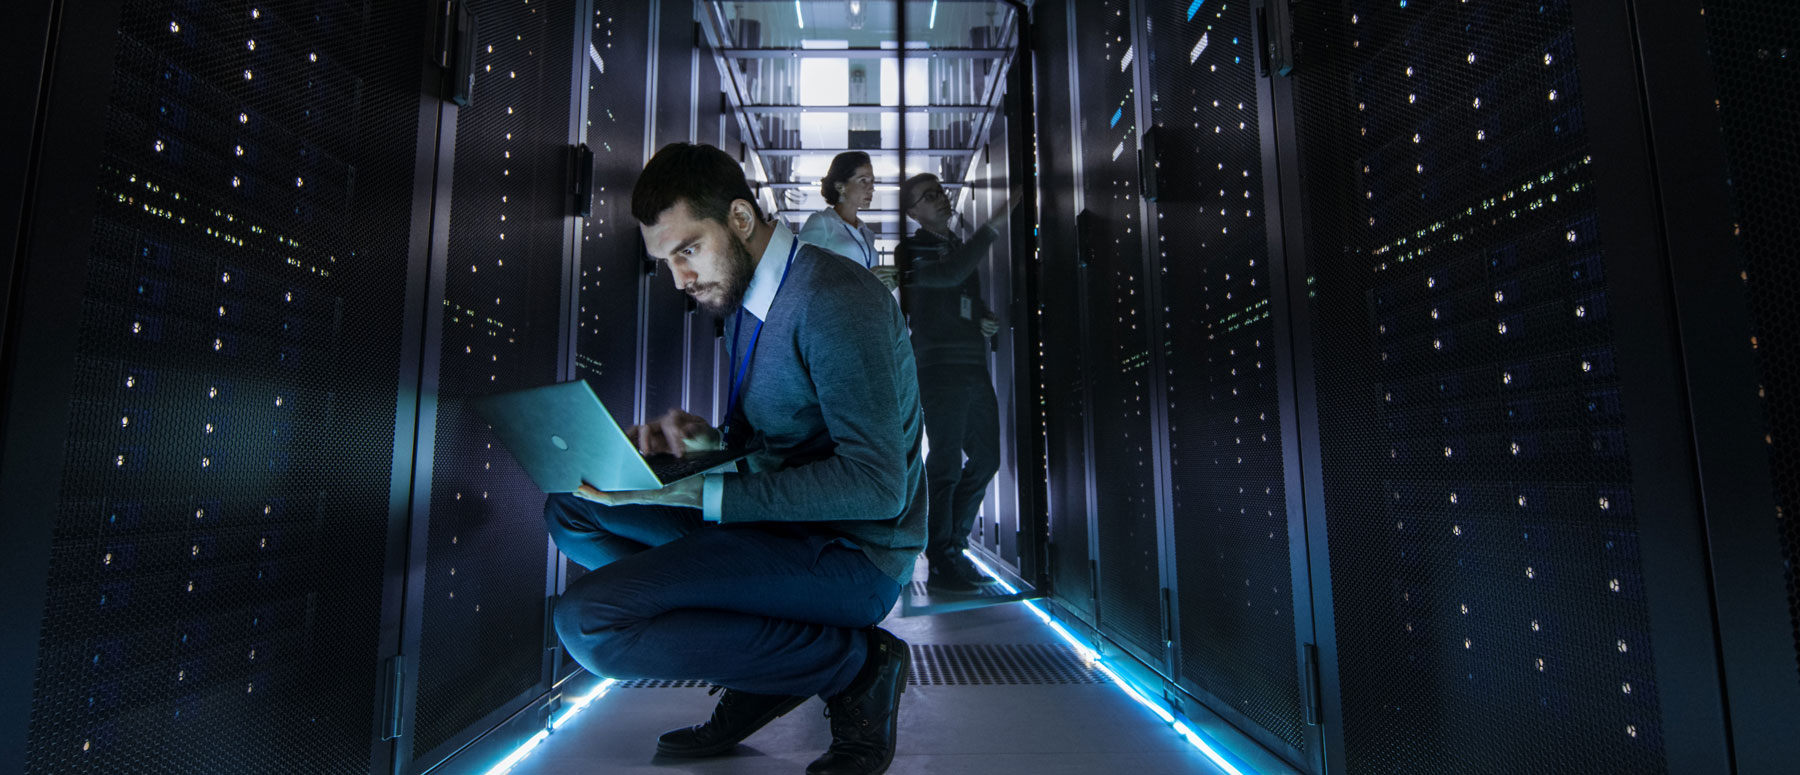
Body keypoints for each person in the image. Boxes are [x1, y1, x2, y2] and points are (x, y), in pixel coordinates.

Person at [544, 142, 927, 775]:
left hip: (852, 556)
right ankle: (768, 659)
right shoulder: (751, 301)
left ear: (741, 220)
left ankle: (852, 666)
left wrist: (696, 494)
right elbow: (771, 447)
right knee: (573, 507)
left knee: (590, 624)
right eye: (666, 261)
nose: (680, 279)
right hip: (778, 528)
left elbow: (878, 485)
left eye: (687, 250)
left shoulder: (834, 300)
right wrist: (688, 449)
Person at [896, 172, 1008, 593]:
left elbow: (961, 295)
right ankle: (941, 556)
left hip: (971, 364)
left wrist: (983, 318)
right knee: (944, 462)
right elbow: (945, 276)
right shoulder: (912, 250)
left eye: (940, 192)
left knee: (987, 458)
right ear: (912, 212)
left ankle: (951, 548)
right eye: (929, 196)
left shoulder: (957, 246)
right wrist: (993, 225)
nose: (940, 199)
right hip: (938, 368)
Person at [799, 151, 899, 290]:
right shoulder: (822, 222)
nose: (871, 188)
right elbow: (801, 274)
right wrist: (864, 280)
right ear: (840, 186)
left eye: (872, 181)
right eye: (863, 180)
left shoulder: (867, 233)